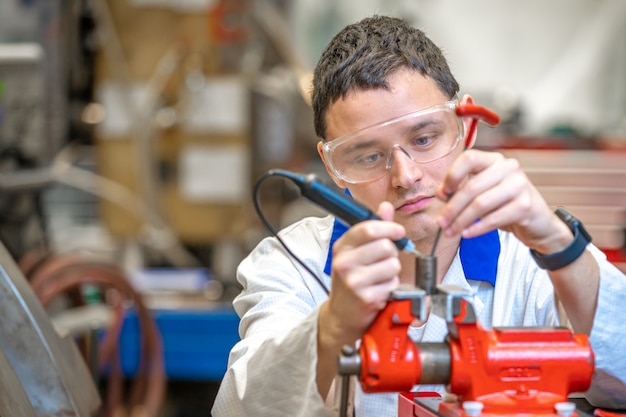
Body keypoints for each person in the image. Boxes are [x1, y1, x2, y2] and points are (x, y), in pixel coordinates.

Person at [212, 15, 626, 417]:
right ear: (333, 166)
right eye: (369, 156)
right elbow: (243, 409)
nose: (405, 176)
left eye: (425, 139)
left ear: (466, 128)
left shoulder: (530, 261)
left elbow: (620, 384)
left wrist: (560, 247)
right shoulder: (293, 262)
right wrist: (334, 324)